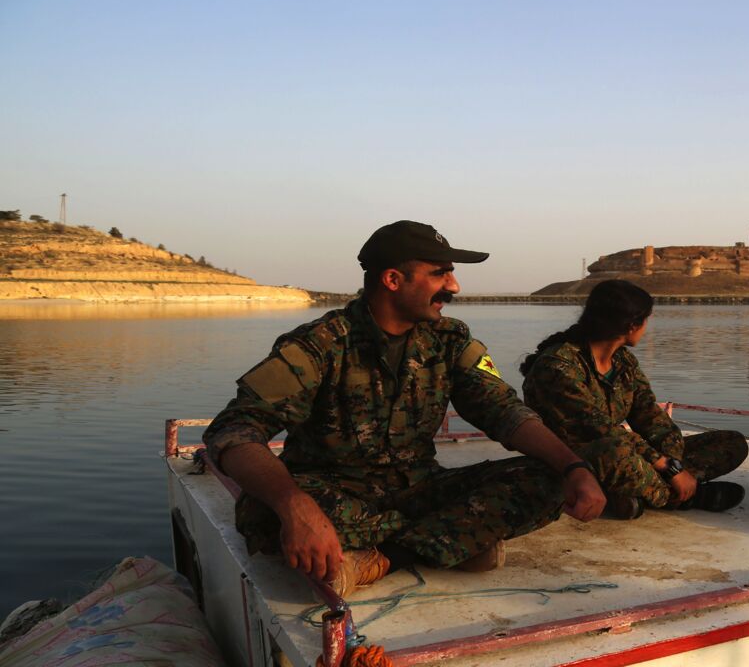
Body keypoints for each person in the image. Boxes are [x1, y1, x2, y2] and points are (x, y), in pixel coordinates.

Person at [202, 221, 606, 597]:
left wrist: (574, 467)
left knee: (548, 479)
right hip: (333, 493)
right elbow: (235, 428)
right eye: (440, 274)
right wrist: (295, 505)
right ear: (393, 280)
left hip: (418, 487)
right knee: (263, 511)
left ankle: (378, 559)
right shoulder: (321, 344)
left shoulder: (449, 339)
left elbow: (502, 410)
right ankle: (453, 541)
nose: (455, 286)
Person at [520, 279, 748, 520]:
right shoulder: (558, 367)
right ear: (631, 325)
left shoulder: (623, 361)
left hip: (626, 452)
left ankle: (635, 493)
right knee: (616, 454)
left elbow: (649, 414)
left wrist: (674, 463)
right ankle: (687, 496)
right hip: (573, 461)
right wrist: (665, 467)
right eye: (646, 320)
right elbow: (602, 431)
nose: (647, 326)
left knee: (732, 443)